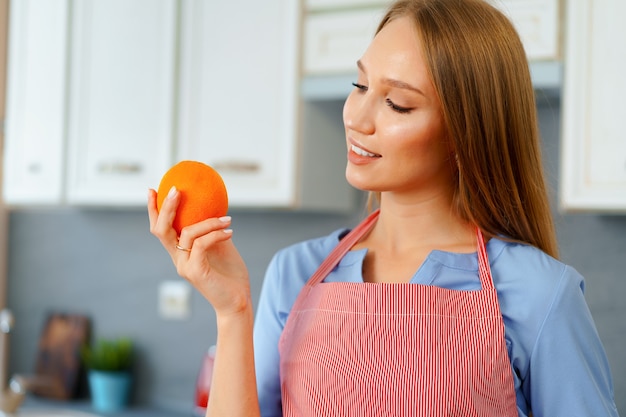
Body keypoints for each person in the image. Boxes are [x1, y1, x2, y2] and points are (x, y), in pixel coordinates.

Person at [148, 0, 619, 416]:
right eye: (360, 84)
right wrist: (232, 312)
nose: (356, 116)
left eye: (396, 104)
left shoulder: (540, 294)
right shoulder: (294, 273)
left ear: (465, 132)